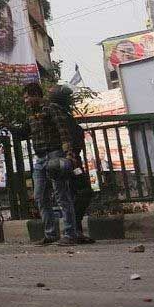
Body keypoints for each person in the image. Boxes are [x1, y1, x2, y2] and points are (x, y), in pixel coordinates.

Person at [22, 83, 83, 246]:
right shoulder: (31, 114)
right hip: (40, 158)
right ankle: (51, 234)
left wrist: (68, 153)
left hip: (55, 155)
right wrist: (6, 124)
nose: (26, 101)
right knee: (40, 196)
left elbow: (63, 131)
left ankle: (70, 234)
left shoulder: (51, 108)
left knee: (61, 195)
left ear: (36, 95)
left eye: (28, 97)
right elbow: (23, 132)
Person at [48, 84, 95, 242]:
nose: (70, 99)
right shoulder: (57, 113)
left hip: (73, 159)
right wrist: (70, 155)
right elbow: (65, 137)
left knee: (78, 192)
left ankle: (76, 230)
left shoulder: (64, 113)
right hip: (69, 159)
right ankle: (73, 229)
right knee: (82, 191)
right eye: (67, 97)